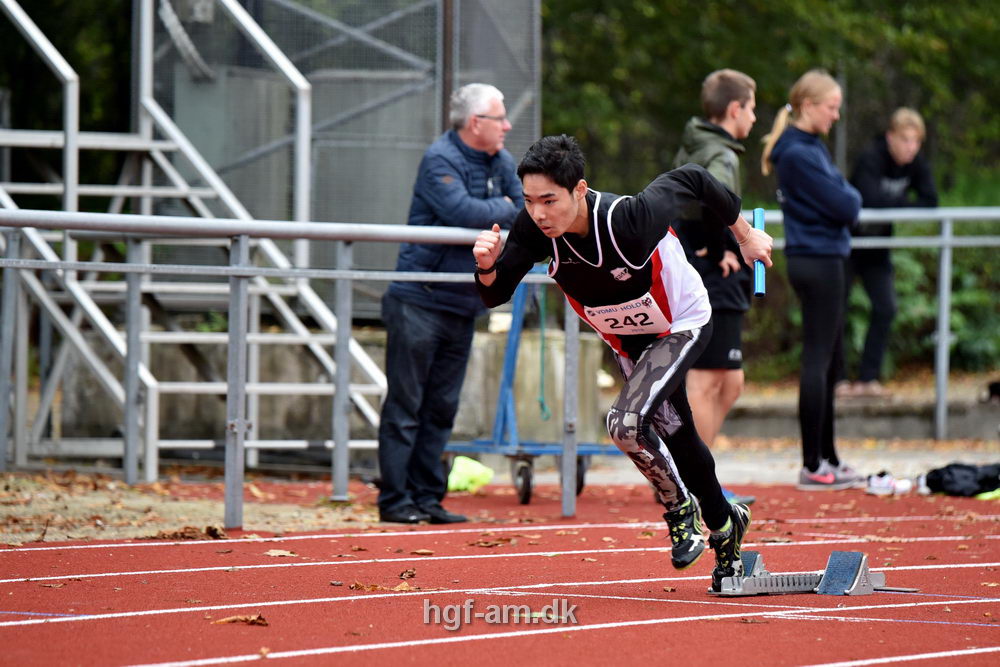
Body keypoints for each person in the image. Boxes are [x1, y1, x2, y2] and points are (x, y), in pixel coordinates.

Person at [473, 134, 773, 591]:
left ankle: (680, 511)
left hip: (681, 323)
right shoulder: (535, 229)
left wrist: (745, 235)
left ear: (579, 189)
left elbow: (693, 178)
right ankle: (726, 524)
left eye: (549, 200)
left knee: (625, 423)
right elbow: (494, 293)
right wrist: (487, 265)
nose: (538, 213)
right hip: (630, 342)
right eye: (530, 200)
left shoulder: (627, 219)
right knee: (677, 433)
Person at [377, 83, 523, 524]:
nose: (508, 126)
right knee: (407, 405)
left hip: (462, 304)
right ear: (475, 123)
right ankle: (395, 501)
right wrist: (500, 206)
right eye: (500, 118)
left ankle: (427, 497)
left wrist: (499, 206)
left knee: (442, 407)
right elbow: (462, 211)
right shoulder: (439, 158)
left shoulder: (504, 160)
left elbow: (524, 206)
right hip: (418, 301)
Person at [761, 69, 863, 491]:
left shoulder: (809, 147)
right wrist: (847, 197)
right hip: (816, 260)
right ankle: (811, 463)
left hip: (825, 258)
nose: (836, 116)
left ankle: (830, 457)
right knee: (817, 359)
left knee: (831, 359)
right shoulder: (798, 153)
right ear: (808, 106)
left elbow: (847, 199)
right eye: (831, 107)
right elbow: (847, 203)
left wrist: (847, 197)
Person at [672, 69, 758, 506]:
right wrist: (716, 246)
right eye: (752, 108)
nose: (756, 118)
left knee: (730, 381)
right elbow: (709, 200)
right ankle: (695, 484)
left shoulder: (699, 141)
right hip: (711, 272)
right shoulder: (721, 154)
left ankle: (695, 473)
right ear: (734, 109)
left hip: (700, 266)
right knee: (708, 380)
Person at [837, 107, 938, 398]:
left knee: (886, 307)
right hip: (848, 244)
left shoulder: (915, 162)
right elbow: (869, 199)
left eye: (916, 141)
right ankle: (838, 380)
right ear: (891, 137)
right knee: (837, 310)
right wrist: (903, 203)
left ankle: (868, 379)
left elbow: (931, 200)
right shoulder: (871, 157)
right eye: (905, 140)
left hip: (878, 247)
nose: (911, 148)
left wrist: (894, 204)